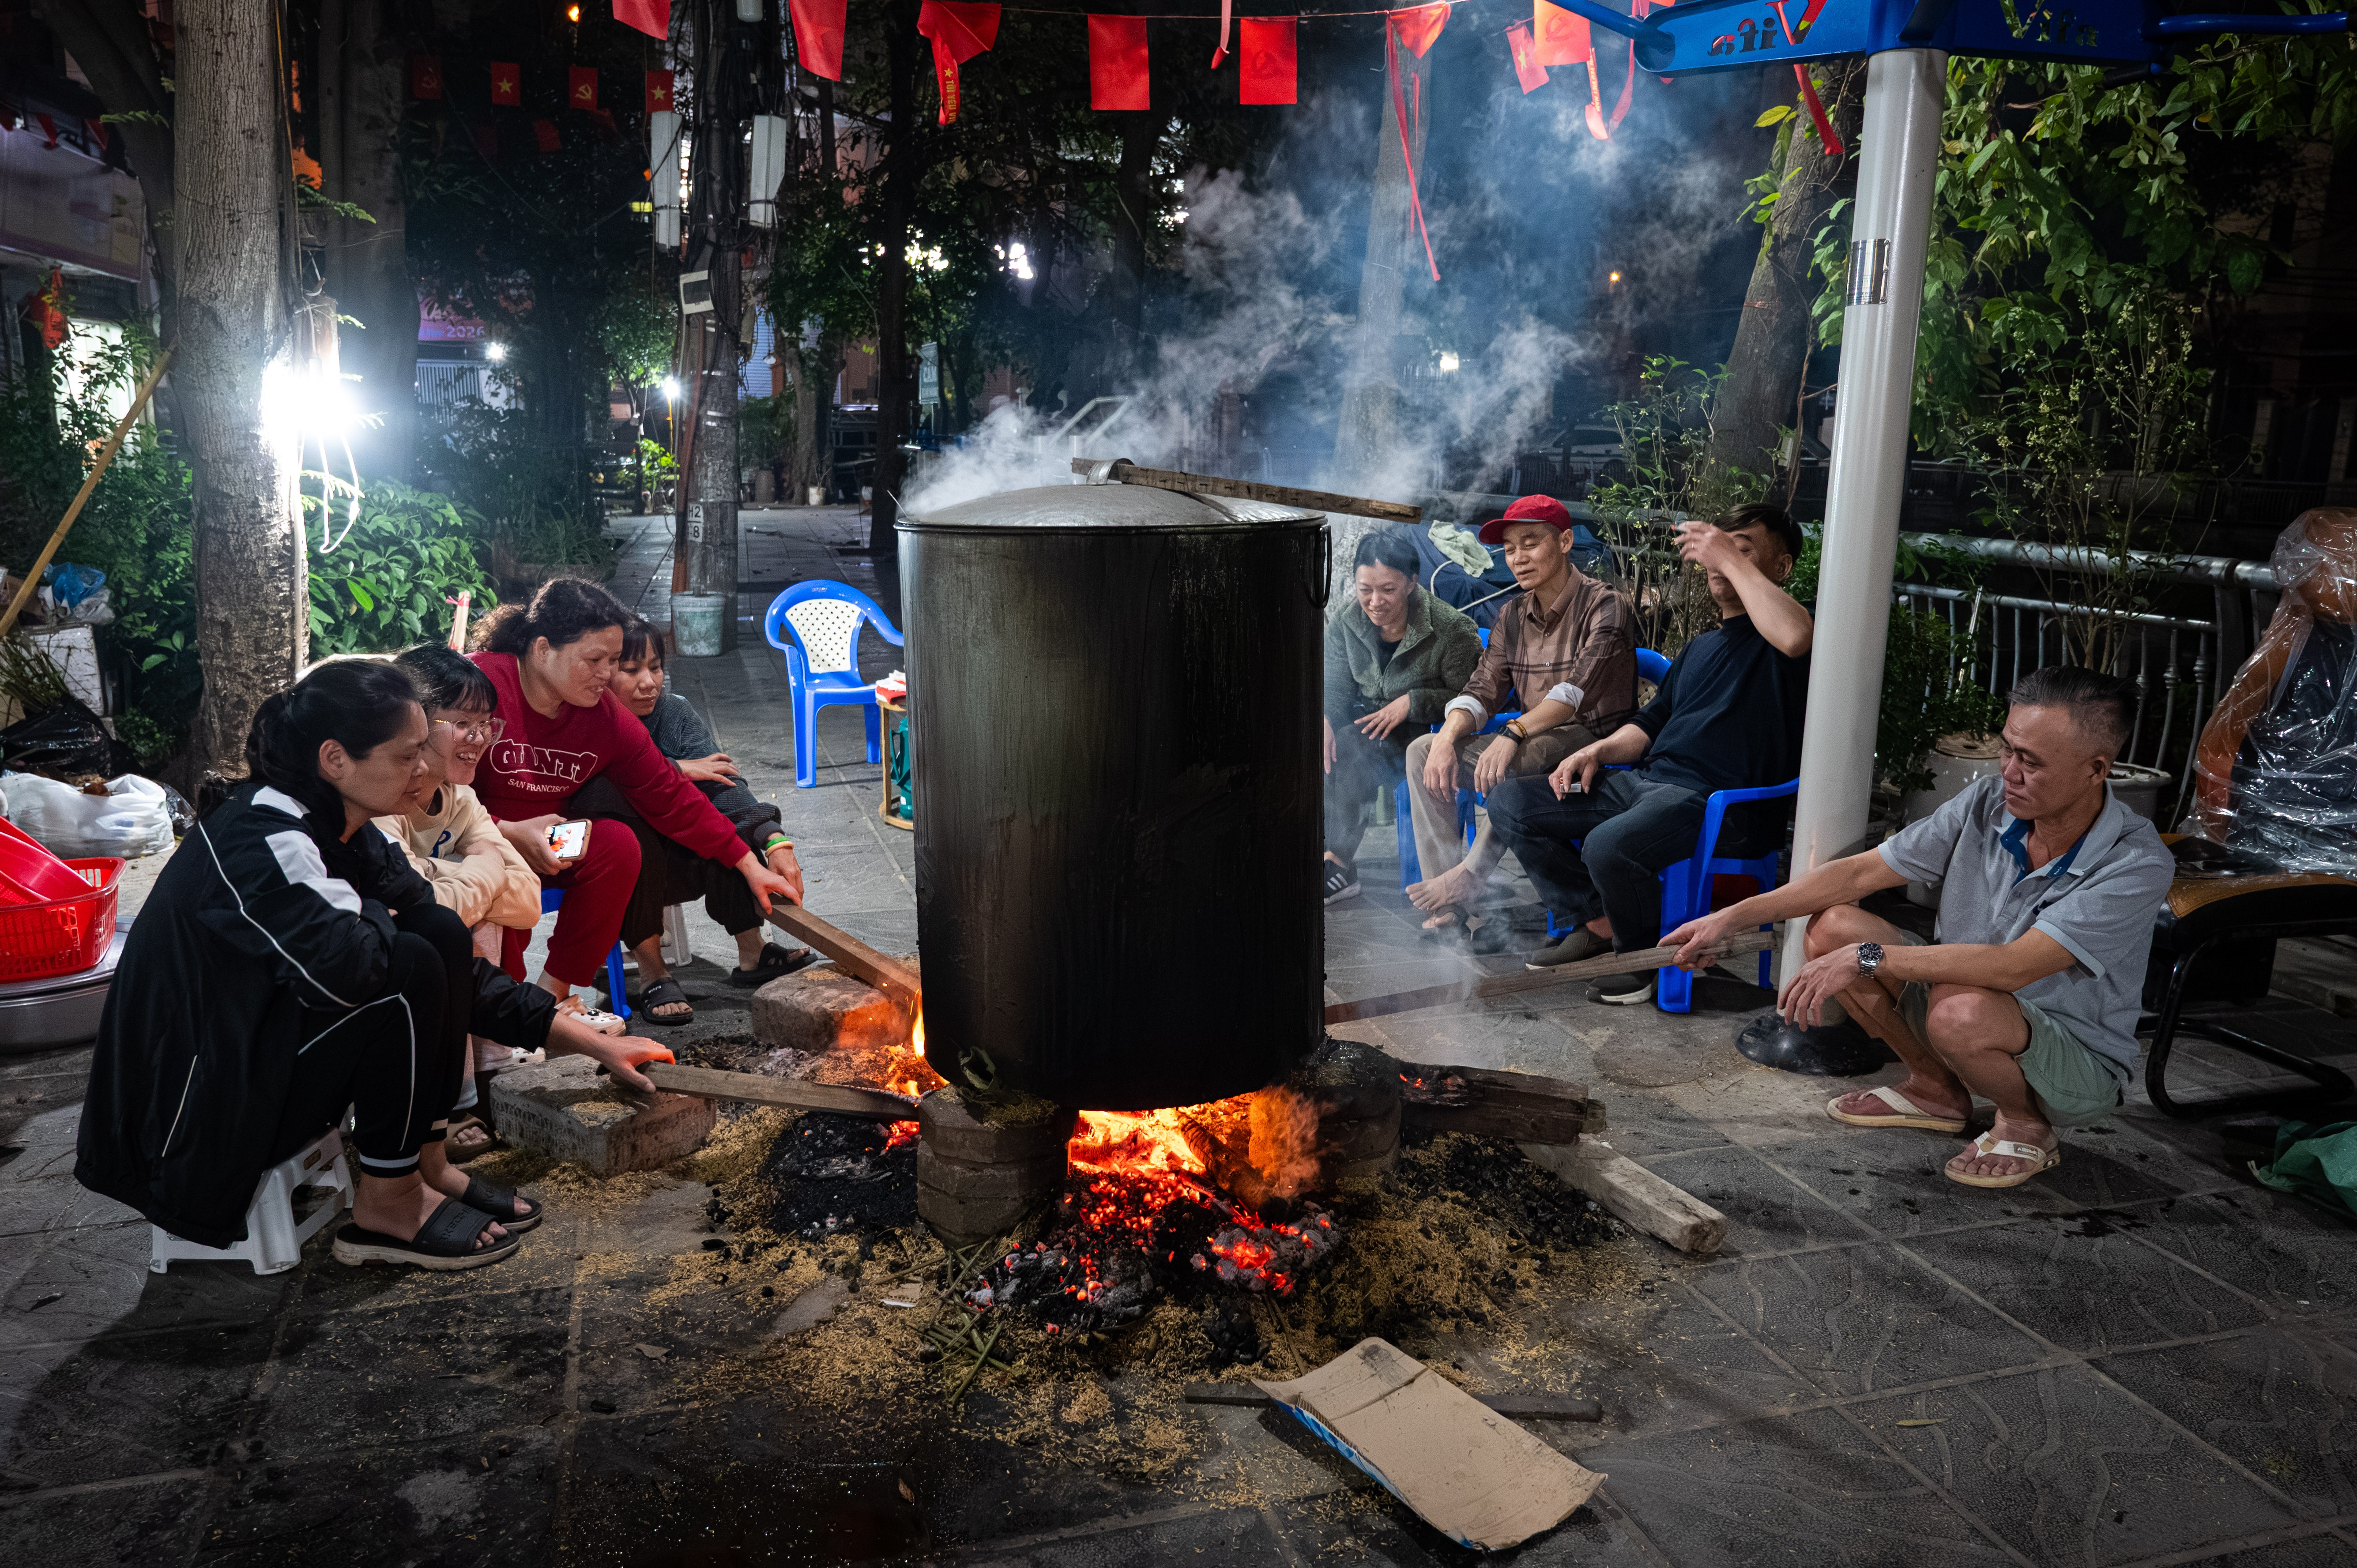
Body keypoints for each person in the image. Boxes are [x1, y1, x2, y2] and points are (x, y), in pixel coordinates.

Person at [74, 662, 674, 1271]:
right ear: (335, 759)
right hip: (182, 1126)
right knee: (406, 959)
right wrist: (374, 910)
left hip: (253, 1051)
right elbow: (362, 973)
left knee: (435, 930)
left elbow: (445, 956)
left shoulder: (345, 828)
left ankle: (427, 1164)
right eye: (409, 754)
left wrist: (587, 1041)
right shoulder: (263, 842)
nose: (426, 768)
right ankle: (388, 1197)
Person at [1664, 667, 2174, 1189]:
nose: (2010, 772)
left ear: (2096, 769)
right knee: (1835, 926)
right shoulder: (1988, 802)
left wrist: (1868, 957)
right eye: (2008, 750)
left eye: (2032, 763)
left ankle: (2026, 1122)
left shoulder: (2135, 861)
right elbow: (1862, 871)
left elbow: (2015, 966)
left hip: (2073, 1058)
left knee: (1958, 1006)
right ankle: (1935, 1090)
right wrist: (1729, 918)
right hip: (1966, 1003)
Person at [1488, 501, 1813, 1003]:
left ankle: (1643, 959)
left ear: (1781, 567)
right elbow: (1649, 722)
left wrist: (1727, 556)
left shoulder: (1789, 643)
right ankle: (1596, 922)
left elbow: (1795, 635)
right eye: (1718, 551)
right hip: (1647, 785)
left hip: (1715, 803)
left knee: (1607, 843)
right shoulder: (1701, 648)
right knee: (1511, 803)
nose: (1719, 563)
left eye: (1740, 550)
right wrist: (1595, 751)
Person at [467, 579, 799, 1014]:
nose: (607, 674)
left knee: (618, 843)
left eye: (612, 660)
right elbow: (433, 799)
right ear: (544, 649)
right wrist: (504, 833)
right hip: (476, 841)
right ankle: (496, 1023)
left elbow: (671, 796)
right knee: (488, 904)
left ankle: (553, 996)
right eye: (596, 660)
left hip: (553, 844)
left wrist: (749, 863)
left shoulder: (605, 716)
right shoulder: (481, 684)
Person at [1404, 494, 1638, 940]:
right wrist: (1445, 738)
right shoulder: (1512, 615)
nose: (1517, 558)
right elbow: (1482, 688)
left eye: (1530, 543)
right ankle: (1452, 905)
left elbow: (1573, 696)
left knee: (1521, 756)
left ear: (1566, 541)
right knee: (1422, 752)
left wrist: (1512, 731)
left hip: (1594, 743)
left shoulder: (1606, 605)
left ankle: (1470, 877)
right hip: (1533, 739)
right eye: (1510, 549)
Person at [574, 619, 818, 1023]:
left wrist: (775, 840)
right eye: (632, 670)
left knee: (729, 821)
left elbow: (725, 778)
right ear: (604, 670)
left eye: (656, 667)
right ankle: (652, 969)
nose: (649, 682)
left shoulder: (675, 712)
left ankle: (752, 950)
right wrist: (678, 769)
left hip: (681, 861)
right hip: (620, 865)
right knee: (633, 835)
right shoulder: (591, 719)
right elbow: (598, 790)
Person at [371, 643, 544, 1154]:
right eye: (464, 723)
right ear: (416, 722)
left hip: (439, 942)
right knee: (451, 926)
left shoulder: (462, 798)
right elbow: (405, 897)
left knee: (475, 920)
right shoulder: (384, 797)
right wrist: (482, 868)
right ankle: (447, 1102)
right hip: (381, 960)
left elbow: (528, 902)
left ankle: (483, 1081)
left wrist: (443, 879)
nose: (480, 738)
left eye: (487, 724)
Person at [2191, 507, 2357, 871]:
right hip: (2270, 834)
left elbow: (2221, 740)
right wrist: (2215, 830)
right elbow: (2221, 743)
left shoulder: (2298, 633)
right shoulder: (2295, 634)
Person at [1322, 529, 1483, 905]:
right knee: (1321, 743)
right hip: (1365, 721)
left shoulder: (1451, 629)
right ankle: (1318, 855)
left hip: (1423, 731)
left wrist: (1414, 702)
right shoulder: (1347, 623)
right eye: (1366, 589)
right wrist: (1325, 718)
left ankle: (1339, 864)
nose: (1374, 602)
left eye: (1388, 590)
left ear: (1412, 584)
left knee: (1349, 749)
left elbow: (1474, 698)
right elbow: (1335, 686)